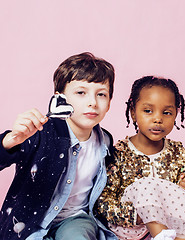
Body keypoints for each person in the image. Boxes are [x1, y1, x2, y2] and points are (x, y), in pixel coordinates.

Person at [0, 52, 118, 240]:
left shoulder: (105, 141)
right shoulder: (38, 132)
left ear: (110, 102)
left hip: (75, 219)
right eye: (81, 92)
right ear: (59, 99)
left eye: (101, 94)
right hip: (29, 222)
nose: (92, 102)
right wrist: (11, 140)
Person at [96, 76, 185, 240]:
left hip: (170, 226)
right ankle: (162, 235)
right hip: (130, 229)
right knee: (145, 184)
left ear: (176, 114)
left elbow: (183, 203)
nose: (157, 119)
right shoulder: (120, 153)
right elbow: (103, 203)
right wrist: (140, 215)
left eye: (167, 113)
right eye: (148, 111)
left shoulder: (177, 151)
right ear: (133, 113)